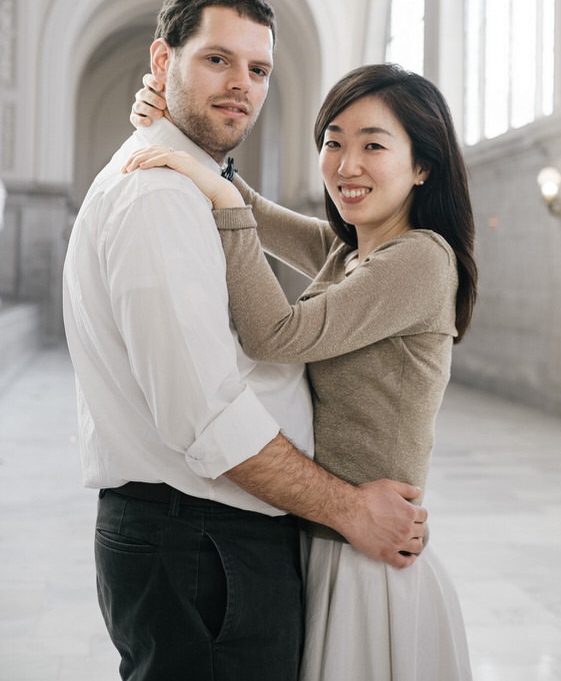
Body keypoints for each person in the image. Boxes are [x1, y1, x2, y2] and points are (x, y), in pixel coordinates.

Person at [62, 0, 427, 681]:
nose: (242, 85)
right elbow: (207, 417)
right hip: (201, 542)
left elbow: (331, 250)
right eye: (217, 61)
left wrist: (217, 178)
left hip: (208, 538)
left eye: (258, 69)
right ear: (162, 63)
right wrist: (350, 508)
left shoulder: (188, 180)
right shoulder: (160, 196)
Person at [127, 63, 477, 680]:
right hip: (335, 536)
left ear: (423, 166)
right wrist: (172, 131)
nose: (346, 164)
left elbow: (276, 334)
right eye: (333, 141)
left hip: (367, 564)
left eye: (373, 144)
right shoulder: (353, 251)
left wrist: (218, 195)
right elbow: (257, 214)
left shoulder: (419, 259)